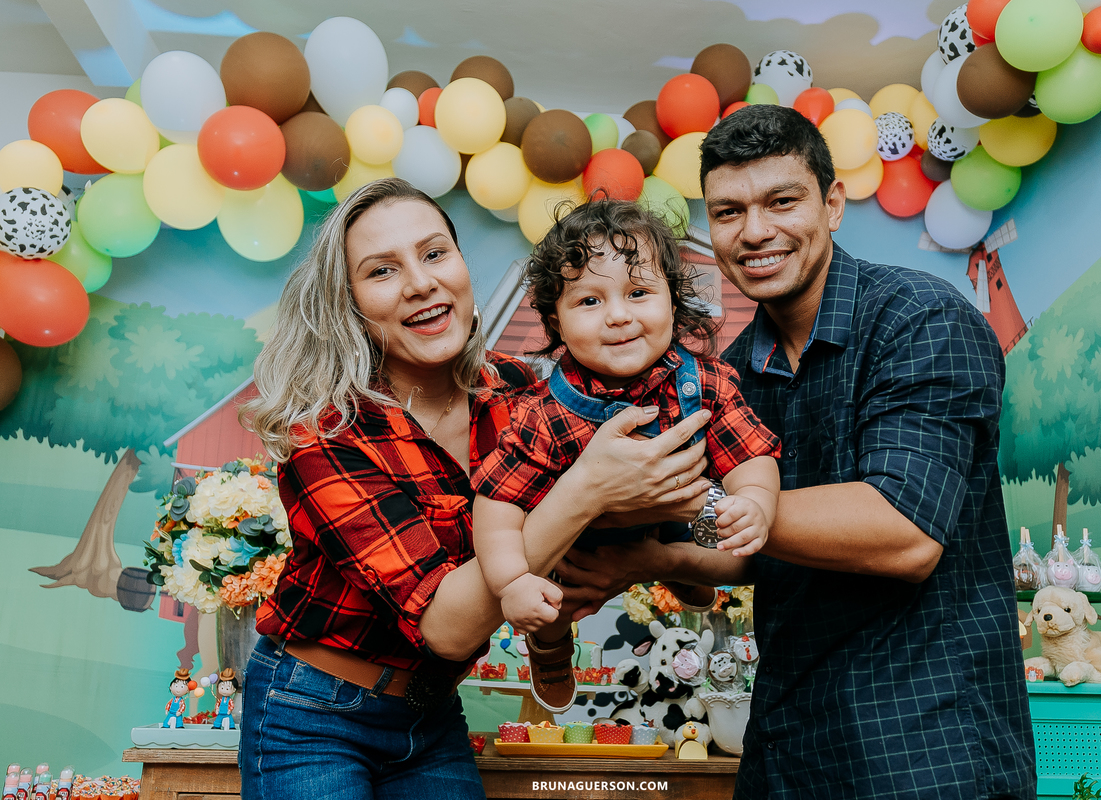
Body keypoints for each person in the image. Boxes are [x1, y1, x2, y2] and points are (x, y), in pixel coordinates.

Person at [557, 105, 1037, 798]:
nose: (755, 231)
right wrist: (649, 553)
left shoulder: (920, 319)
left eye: (782, 201)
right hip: (787, 745)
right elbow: (748, 544)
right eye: (727, 212)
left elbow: (904, 532)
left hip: (928, 747)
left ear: (833, 203)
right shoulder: (733, 375)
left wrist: (678, 499)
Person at [238, 178, 712, 800]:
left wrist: (649, 546)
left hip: (430, 714)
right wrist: (587, 490)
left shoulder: (521, 392)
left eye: (435, 254)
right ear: (347, 303)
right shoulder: (326, 437)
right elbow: (448, 629)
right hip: (313, 714)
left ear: (462, 266)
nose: (420, 282)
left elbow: (655, 542)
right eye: (383, 271)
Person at [470, 200, 781, 713]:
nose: (618, 315)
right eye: (589, 301)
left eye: (639, 293)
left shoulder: (704, 383)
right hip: (576, 542)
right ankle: (549, 652)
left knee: (713, 524)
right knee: (550, 599)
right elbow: (497, 502)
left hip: (670, 520)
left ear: (674, 305)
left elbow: (751, 450)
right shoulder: (543, 413)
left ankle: (681, 571)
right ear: (556, 322)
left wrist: (757, 500)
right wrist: (511, 583)